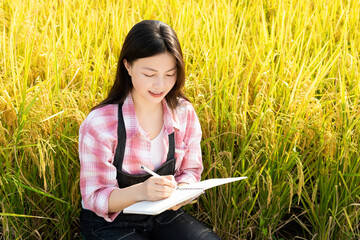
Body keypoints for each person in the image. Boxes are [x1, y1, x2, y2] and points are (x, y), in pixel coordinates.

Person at [79, 20, 221, 240]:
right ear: (127, 66)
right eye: (149, 74)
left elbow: (191, 171)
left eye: (170, 74)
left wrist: (181, 192)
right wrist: (142, 192)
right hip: (111, 222)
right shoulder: (100, 123)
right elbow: (94, 197)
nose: (160, 85)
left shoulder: (184, 113)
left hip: (164, 215)